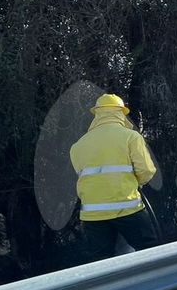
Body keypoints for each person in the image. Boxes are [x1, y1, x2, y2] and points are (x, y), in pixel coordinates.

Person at [69, 93, 160, 260]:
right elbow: (147, 170)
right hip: (127, 208)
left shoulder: (78, 146)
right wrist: (135, 183)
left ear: (97, 114)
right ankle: (158, 284)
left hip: (93, 216)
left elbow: (85, 176)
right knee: (149, 253)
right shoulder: (131, 137)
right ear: (121, 113)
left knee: (101, 263)